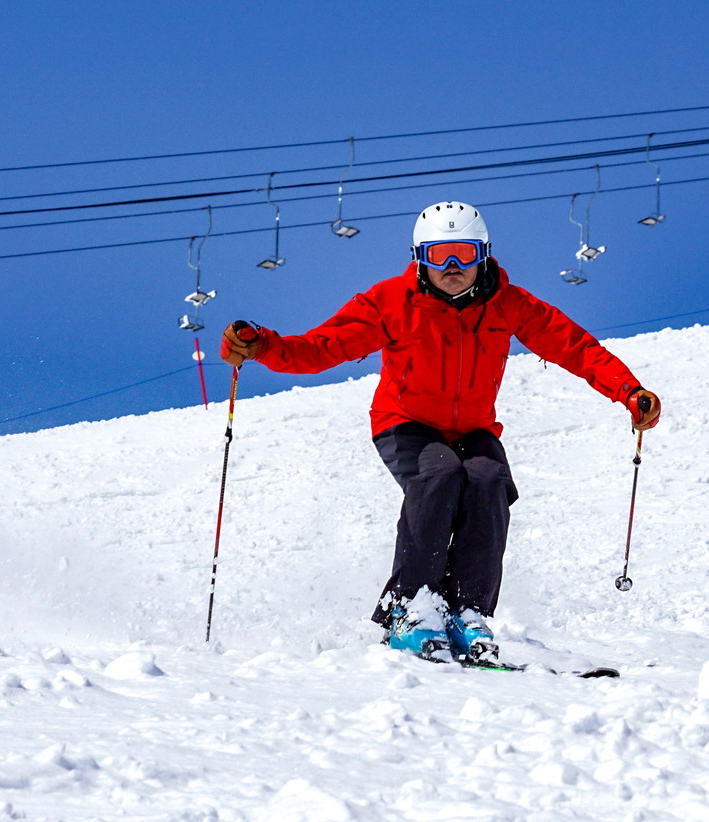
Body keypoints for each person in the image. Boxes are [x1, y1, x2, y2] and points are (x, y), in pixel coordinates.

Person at [220, 201, 660, 663]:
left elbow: (576, 347)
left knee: (489, 481)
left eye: (465, 254)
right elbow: (322, 347)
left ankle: (467, 610)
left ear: (484, 255)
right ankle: (410, 607)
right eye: (438, 256)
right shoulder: (389, 303)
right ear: (418, 258)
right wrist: (263, 344)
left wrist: (629, 391)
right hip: (404, 422)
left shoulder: (509, 304)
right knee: (439, 474)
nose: (452, 268)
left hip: (472, 427)